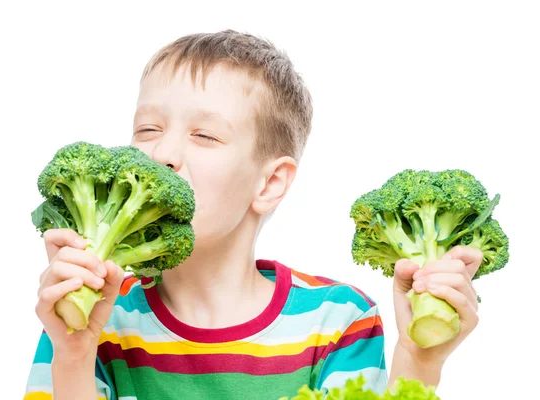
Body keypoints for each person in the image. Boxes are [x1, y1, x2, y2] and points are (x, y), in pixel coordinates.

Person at [24, 30, 482, 400]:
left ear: (269, 183)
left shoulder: (337, 319)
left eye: (204, 135)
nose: (162, 153)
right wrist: (73, 354)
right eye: (148, 129)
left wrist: (418, 365)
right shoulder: (93, 319)